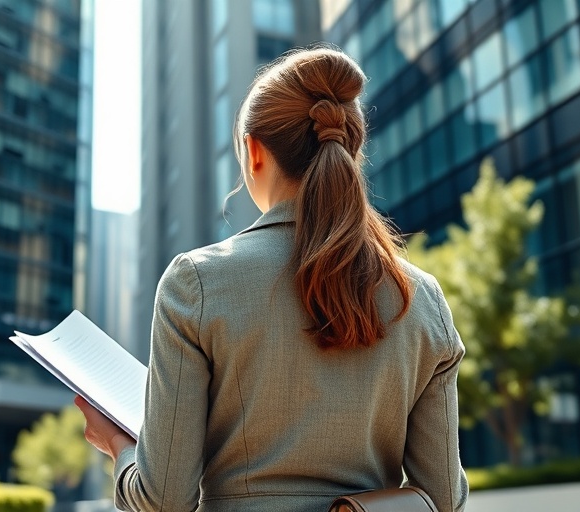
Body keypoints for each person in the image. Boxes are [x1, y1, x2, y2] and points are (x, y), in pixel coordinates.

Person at [75, 46, 468, 512]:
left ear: (254, 151)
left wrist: (120, 448)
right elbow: (442, 502)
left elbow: (163, 503)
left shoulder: (195, 283)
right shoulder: (420, 298)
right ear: (350, 147)